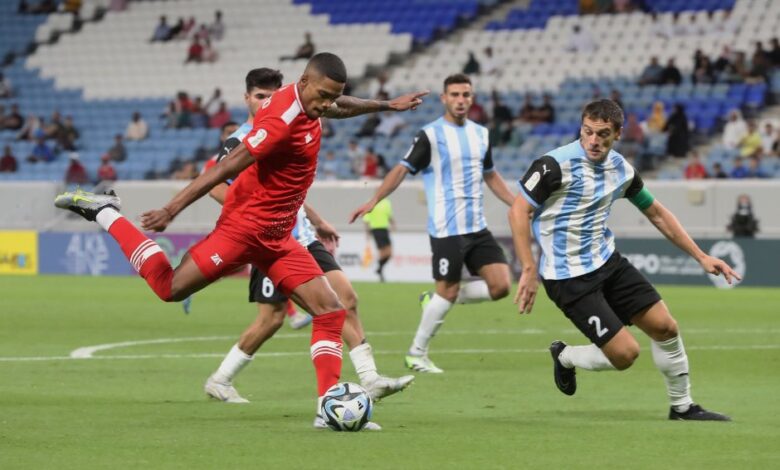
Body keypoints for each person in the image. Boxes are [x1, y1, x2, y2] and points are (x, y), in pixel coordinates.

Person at [54, 55, 426, 428]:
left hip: (278, 237)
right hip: (243, 231)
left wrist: (384, 105)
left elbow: (340, 105)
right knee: (169, 288)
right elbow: (226, 167)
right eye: (324, 96)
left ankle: (326, 410)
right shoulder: (280, 121)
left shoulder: (313, 101)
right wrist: (171, 209)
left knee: (330, 311)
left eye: (332, 96)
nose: (327, 104)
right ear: (303, 82)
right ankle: (105, 212)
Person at [510, 99, 738, 421]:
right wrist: (528, 268)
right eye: (587, 131)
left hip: (609, 263)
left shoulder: (622, 170)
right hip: (568, 277)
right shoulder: (553, 165)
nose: (593, 140)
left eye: (602, 134)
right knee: (625, 354)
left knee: (665, 327)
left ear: (618, 133)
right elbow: (518, 211)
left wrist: (701, 256)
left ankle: (683, 407)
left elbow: (656, 213)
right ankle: (565, 356)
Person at [349, 73, 515, 374]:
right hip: (446, 229)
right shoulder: (431, 135)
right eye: (455, 95)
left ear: (472, 98)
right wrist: (374, 199)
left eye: (465, 95)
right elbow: (402, 169)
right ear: (444, 98)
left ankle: (435, 299)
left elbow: (490, 174)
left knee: (501, 285)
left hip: (476, 227)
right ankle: (416, 354)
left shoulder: (481, 134)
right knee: (448, 291)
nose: (461, 100)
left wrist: (517, 204)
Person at [363, 198, 394, 282]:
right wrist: (367, 232)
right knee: (383, 252)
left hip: (385, 229)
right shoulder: (370, 202)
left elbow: (389, 215)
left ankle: (379, 268)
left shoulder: (387, 202)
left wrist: (392, 223)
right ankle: (379, 270)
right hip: (376, 229)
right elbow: (366, 218)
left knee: (389, 253)